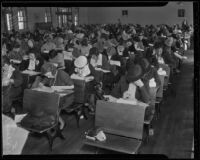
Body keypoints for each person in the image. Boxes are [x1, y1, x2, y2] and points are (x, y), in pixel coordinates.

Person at [31, 62, 74, 130]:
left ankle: (58, 122)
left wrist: (59, 87)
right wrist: (41, 85)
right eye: (46, 75)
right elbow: (43, 83)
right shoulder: (50, 75)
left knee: (50, 105)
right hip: (54, 95)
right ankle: (46, 121)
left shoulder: (62, 74)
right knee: (41, 102)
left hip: (66, 97)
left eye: (48, 75)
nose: (48, 76)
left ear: (52, 71)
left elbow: (72, 86)